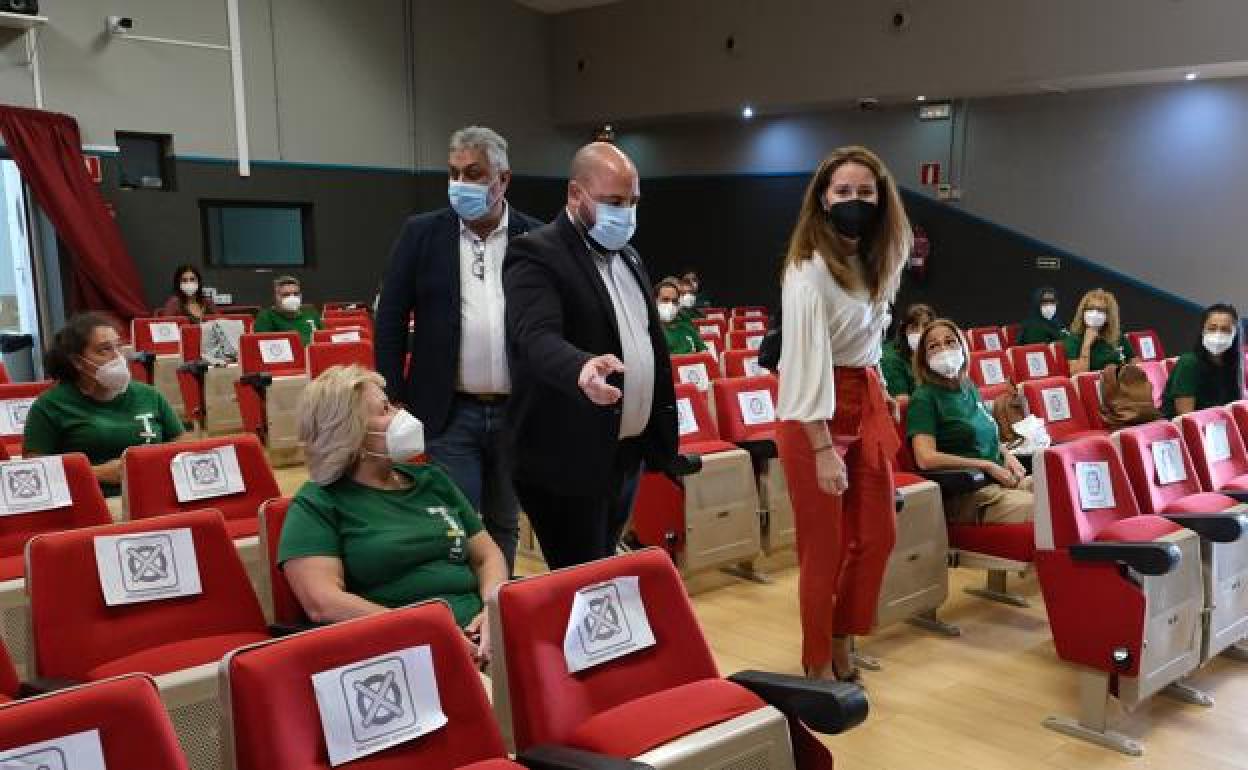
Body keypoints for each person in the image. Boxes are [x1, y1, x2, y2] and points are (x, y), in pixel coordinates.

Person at [374, 127, 542, 573]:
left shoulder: (536, 237)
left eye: (474, 173)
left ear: (503, 179)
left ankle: (498, 603)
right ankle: (463, 606)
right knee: (457, 521)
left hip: (517, 411)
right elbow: (391, 317)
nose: (461, 184)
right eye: (454, 173)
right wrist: (393, 394)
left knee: (504, 520)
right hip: (448, 410)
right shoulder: (421, 233)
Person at [503, 142, 677, 569]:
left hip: (624, 452)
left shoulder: (629, 256)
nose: (626, 213)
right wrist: (580, 366)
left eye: (633, 202)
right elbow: (535, 337)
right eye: (614, 202)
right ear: (575, 194)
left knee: (604, 566)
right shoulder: (536, 252)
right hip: (567, 457)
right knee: (582, 577)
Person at [774, 145, 909, 683]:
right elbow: (803, 366)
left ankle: (841, 634)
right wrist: (823, 448)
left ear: (882, 200)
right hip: (814, 414)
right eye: (844, 191)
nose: (855, 200)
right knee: (822, 550)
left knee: (879, 535)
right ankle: (816, 664)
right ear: (824, 200)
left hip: (864, 399)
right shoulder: (807, 270)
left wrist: (882, 395)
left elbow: (870, 341)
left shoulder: (876, 259)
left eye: (866, 192)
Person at [278, 365, 507, 664]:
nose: (401, 415)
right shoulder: (317, 503)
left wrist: (492, 609)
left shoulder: (432, 479)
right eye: (385, 410)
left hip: (481, 635)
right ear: (351, 434)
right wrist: (429, 632)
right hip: (400, 650)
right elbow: (323, 603)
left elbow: (486, 556)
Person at [23, 313, 184, 496]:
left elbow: (180, 447)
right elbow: (33, 470)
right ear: (78, 362)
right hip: (91, 500)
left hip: (154, 494)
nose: (118, 357)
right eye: (105, 350)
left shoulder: (149, 395)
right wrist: (96, 473)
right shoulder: (50, 406)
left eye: (118, 347)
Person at [908, 319, 1034, 523]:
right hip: (971, 493)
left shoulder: (969, 387)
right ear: (924, 359)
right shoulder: (924, 398)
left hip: (1002, 480)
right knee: (1046, 508)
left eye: (950, 342)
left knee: (1060, 490)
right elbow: (925, 458)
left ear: (963, 347)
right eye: (933, 346)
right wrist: (986, 465)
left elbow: (987, 432)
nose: (943, 349)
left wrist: (1006, 454)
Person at [1163, 303, 1244, 417]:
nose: (1218, 334)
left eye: (1225, 330)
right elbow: (1187, 419)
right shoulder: (1189, 363)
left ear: (1234, 334)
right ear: (1202, 331)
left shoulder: (1233, 365)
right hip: (1187, 427)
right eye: (1212, 328)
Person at [1063, 288, 1135, 374]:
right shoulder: (1073, 340)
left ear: (1108, 316)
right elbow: (1078, 375)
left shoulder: (1117, 336)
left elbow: (1134, 360)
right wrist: (1086, 345)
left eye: (1100, 310)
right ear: (1083, 312)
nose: (1094, 313)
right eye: (1090, 308)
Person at [880, 302, 934, 399]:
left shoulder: (933, 353)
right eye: (914, 326)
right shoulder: (890, 359)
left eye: (926, 326)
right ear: (904, 330)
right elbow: (901, 402)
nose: (920, 332)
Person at [254, 275, 322, 346]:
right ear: (275, 297)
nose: (292, 298)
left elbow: (323, 339)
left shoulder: (311, 313)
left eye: (296, 294)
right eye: (286, 295)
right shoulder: (266, 317)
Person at [656, 278, 707, 354]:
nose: (670, 304)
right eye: (665, 299)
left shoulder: (687, 328)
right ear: (655, 301)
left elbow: (704, 354)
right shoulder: (651, 333)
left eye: (674, 301)